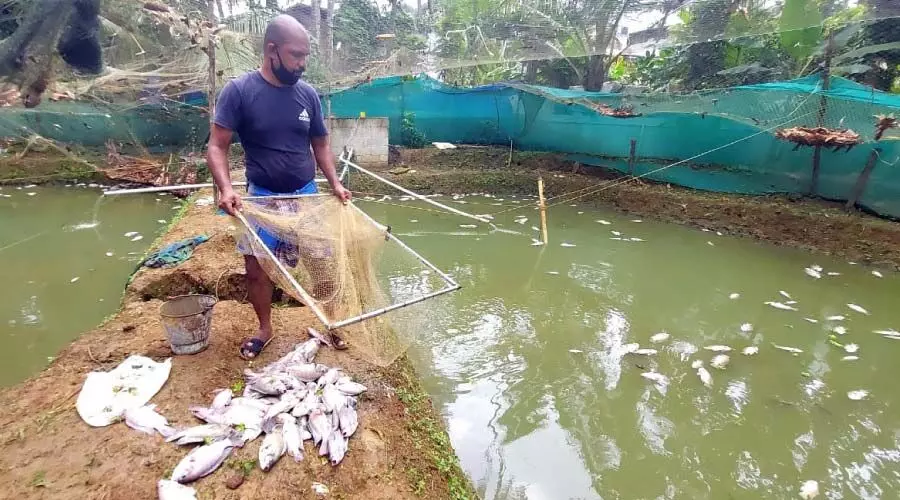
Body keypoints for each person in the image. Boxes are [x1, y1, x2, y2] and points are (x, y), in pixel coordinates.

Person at [206, 14, 352, 360]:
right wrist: (226, 189)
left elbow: (321, 145)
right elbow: (216, 146)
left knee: (322, 261)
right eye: (296, 55)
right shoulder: (240, 91)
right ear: (272, 50)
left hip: (305, 194)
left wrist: (335, 183)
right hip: (262, 199)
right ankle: (264, 329)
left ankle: (332, 323)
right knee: (257, 269)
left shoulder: (308, 95)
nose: (302, 64)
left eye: (305, 57)